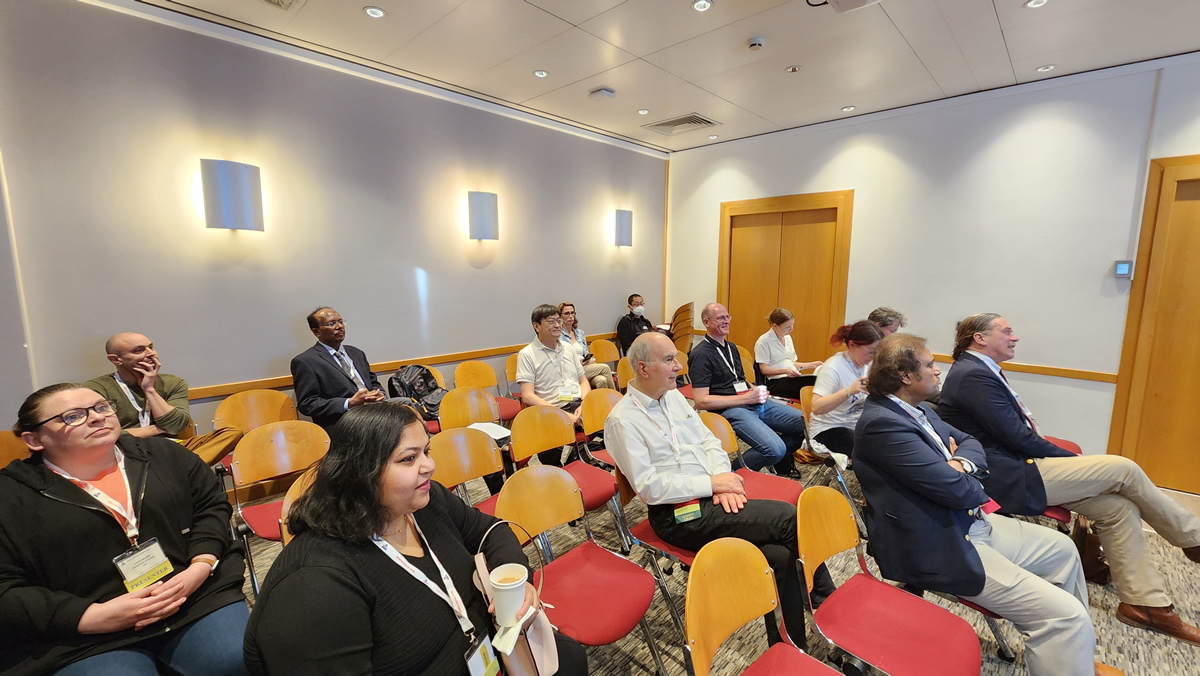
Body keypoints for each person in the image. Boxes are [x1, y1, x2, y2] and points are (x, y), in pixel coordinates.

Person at [243, 402, 588, 676]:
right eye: (409, 458)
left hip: (492, 652)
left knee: (570, 658)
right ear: (361, 472)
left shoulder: (423, 501)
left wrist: (516, 575)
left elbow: (490, 531)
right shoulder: (314, 585)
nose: (429, 466)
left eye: (426, 451)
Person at [854, 335, 1122, 676]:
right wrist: (963, 473)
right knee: (1064, 616)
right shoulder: (882, 424)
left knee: (1063, 550)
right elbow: (956, 491)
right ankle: (1067, 638)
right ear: (905, 376)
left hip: (967, 523)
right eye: (929, 364)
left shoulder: (918, 409)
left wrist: (959, 464)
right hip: (938, 544)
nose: (938, 370)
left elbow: (971, 442)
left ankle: (1072, 656)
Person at [939, 313, 1200, 644]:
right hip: (1008, 475)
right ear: (980, 338)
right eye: (1006, 331)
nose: (1014, 337)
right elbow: (1016, 437)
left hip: (1019, 465)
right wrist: (1072, 460)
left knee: (1117, 508)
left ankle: (1145, 605)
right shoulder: (972, 375)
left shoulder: (978, 370)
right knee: (1124, 468)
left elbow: (1015, 434)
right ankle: (1193, 538)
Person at [605, 332, 835, 648]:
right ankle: (829, 604)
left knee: (780, 556)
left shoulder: (672, 398)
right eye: (669, 360)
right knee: (788, 518)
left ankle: (791, 647)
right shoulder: (623, 420)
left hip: (711, 493)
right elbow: (649, 488)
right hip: (677, 514)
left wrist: (721, 478)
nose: (678, 366)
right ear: (643, 368)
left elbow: (709, 442)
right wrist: (713, 484)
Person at [1, 384, 248, 676]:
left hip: (191, 594)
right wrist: (90, 617)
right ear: (34, 439)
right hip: (80, 633)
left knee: (238, 658)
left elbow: (211, 507)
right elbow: (6, 588)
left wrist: (201, 565)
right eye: (73, 416)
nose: (97, 417)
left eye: (101, 407)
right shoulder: (10, 495)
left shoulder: (165, 454)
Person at [86, 333, 241, 465]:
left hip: (172, 448)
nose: (150, 353)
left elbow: (176, 426)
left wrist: (149, 389)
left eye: (151, 347)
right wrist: (157, 429)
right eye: (139, 350)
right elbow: (106, 435)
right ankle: (185, 469)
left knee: (231, 432)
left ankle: (179, 469)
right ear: (116, 359)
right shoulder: (96, 390)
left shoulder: (173, 382)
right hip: (126, 453)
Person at [688, 303, 806, 475]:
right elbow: (701, 401)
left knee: (804, 423)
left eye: (727, 317)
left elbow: (740, 380)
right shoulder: (700, 354)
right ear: (706, 322)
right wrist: (745, 399)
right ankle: (731, 472)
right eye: (720, 318)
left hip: (752, 401)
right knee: (774, 449)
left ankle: (776, 464)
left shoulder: (731, 348)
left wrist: (756, 390)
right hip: (731, 409)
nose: (726, 321)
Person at [515, 304, 591, 467]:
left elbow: (583, 381)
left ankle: (580, 459)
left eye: (558, 320)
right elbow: (527, 395)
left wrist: (585, 403)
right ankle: (559, 472)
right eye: (551, 321)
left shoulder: (568, 348)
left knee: (609, 428)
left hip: (578, 404)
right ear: (536, 326)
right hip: (550, 410)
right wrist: (560, 415)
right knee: (549, 454)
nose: (557, 325)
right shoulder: (527, 354)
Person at [290, 307, 386, 430]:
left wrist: (380, 394)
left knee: (405, 404)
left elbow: (373, 382)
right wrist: (349, 403)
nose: (339, 326)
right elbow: (307, 404)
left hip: (374, 408)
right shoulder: (305, 361)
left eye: (340, 322)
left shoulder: (356, 353)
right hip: (344, 419)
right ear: (316, 332)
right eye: (331, 323)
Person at [808, 320, 884, 457]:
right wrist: (849, 391)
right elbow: (817, 407)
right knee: (872, 451)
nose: (872, 357)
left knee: (890, 441)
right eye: (870, 352)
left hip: (854, 425)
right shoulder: (833, 368)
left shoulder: (866, 366)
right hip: (828, 429)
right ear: (851, 345)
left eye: (876, 353)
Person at [753, 308, 822, 400]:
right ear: (775, 326)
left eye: (792, 325)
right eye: (787, 327)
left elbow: (790, 363)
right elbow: (763, 369)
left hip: (790, 379)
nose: (791, 329)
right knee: (814, 383)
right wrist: (785, 371)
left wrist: (812, 365)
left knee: (820, 380)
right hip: (775, 382)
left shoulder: (787, 338)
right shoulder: (763, 341)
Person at [558, 302, 615, 390]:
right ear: (560, 316)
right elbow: (560, 358)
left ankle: (603, 399)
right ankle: (616, 397)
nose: (570, 316)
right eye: (566, 313)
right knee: (605, 368)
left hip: (585, 367)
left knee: (601, 380)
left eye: (572, 313)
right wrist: (578, 362)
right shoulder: (558, 335)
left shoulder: (580, 333)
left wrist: (590, 360)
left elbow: (586, 353)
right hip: (572, 370)